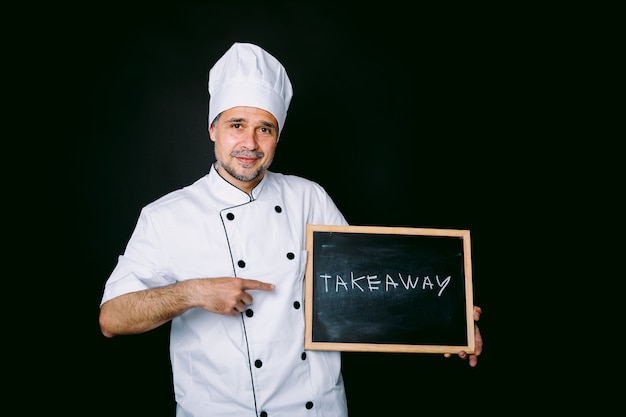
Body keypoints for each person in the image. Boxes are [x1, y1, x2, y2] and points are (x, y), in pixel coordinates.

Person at [99, 42, 483, 417]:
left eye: (264, 129)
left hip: (315, 408)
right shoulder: (166, 216)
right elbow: (112, 318)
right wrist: (193, 292)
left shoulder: (309, 198)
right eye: (237, 125)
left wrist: (447, 320)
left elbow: (370, 288)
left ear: (277, 136)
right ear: (213, 128)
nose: (249, 143)